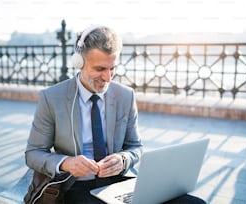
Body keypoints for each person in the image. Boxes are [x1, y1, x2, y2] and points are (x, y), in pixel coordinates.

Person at [25, 25, 206, 204]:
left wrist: (123, 159)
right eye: (100, 69)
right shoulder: (51, 98)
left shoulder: (126, 96)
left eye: (112, 68)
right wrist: (66, 162)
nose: (108, 78)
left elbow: (136, 147)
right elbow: (33, 154)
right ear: (79, 62)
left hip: (120, 183)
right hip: (77, 187)